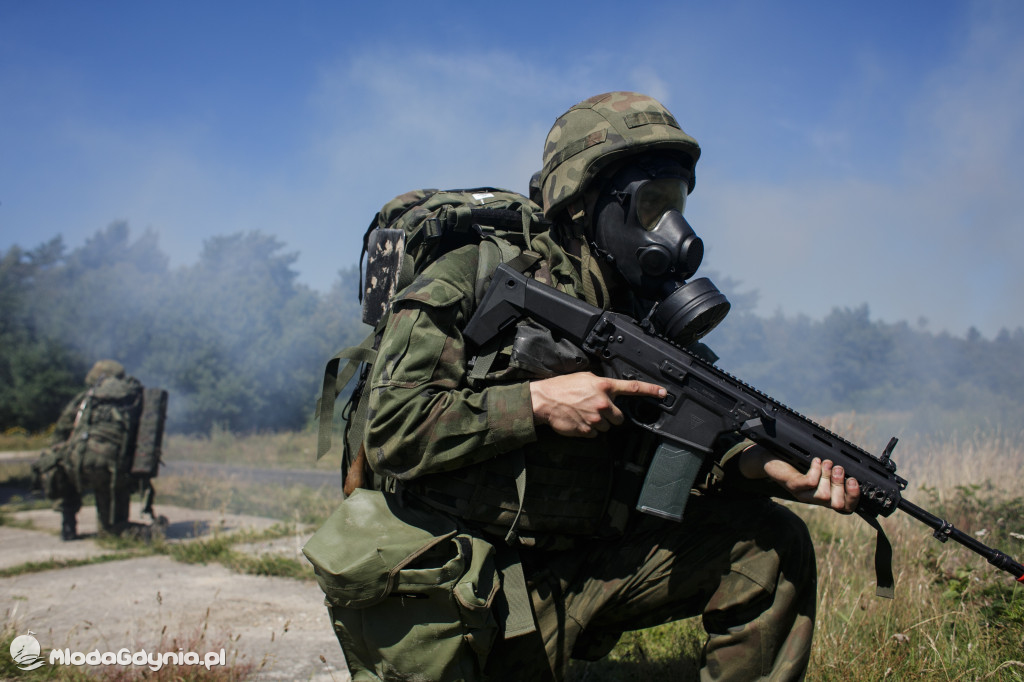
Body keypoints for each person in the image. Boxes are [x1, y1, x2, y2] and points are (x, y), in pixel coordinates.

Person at [324, 92, 859, 681]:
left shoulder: (644, 319)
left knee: (771, 541)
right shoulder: (473, 276)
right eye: (651, 206)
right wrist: (536, 403)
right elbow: (393, 431)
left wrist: (760, 467)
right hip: (463, 595)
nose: (675, 232)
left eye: (676, 205)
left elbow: (679, 450)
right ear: (585, 206)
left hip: (574, 580)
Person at [49, 359, 144, 540]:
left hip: (77, 464)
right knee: (110, 528)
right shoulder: (132, 399)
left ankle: (68, 524)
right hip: (112, 469)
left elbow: (61, 431)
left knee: (61, 461)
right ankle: (112, 527)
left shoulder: (86, 399)